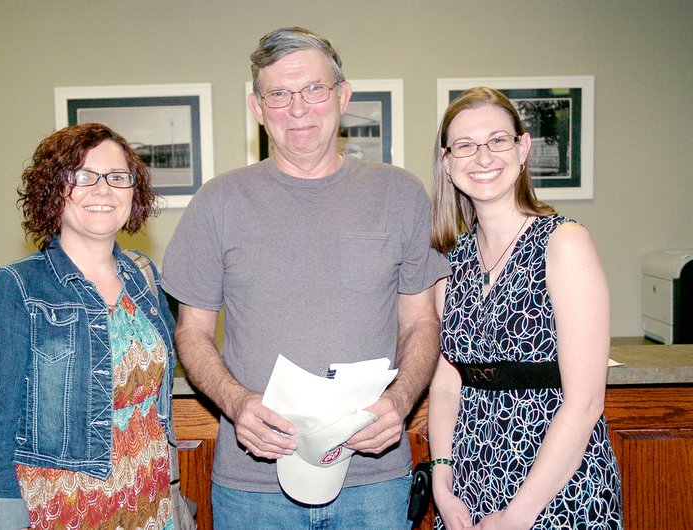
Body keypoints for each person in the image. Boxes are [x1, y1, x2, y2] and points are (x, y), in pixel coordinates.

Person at [161, 26, 449, 529]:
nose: (298, 109)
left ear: (343, 96)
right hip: (254, 484)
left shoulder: (400, 195)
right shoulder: (218, 203)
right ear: (257, 106)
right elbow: (192, 331)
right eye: (279, 94)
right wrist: (237, 402)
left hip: (373, 481)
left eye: (314, 89)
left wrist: (401, 401)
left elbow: (422, 323)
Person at [0, 123, 179, 530]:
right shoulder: (15, 287)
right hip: (64, 507)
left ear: (134, 192)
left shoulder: (143, 277)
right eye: (82, 176)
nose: (103, 189)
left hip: (149, 500)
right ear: (53, 190)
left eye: (117, 177)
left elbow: (163, 395)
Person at [427, 87, 623, 530]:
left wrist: (517, 516)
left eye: (497, 140)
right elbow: (445, 383)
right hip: (470, 484)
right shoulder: (449, 258)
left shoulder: (564, 243)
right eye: (465, 145)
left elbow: (586, 402)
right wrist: (442, 476)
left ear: (523, 148)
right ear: (447, 161)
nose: (482, 157)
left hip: (555, 485)